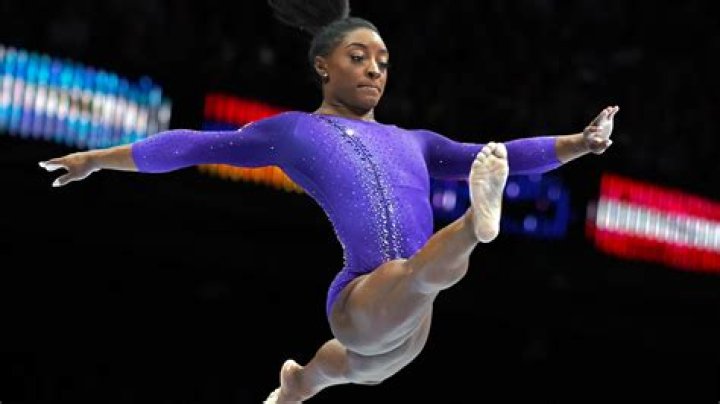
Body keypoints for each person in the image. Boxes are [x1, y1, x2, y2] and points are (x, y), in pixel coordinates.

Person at [39, 0, 619, 402]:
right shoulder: (294, 131)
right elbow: (192, 145)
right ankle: (475, 222)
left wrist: (581, 142)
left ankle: (299, 384)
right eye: (358, 57)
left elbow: (503, 154)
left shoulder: (414, 142)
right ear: (323, 66)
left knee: (359, 368)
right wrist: (97, 159)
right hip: (362, 296)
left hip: (409, 325)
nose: (374, 70)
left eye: (383, 62)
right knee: (421, 276)